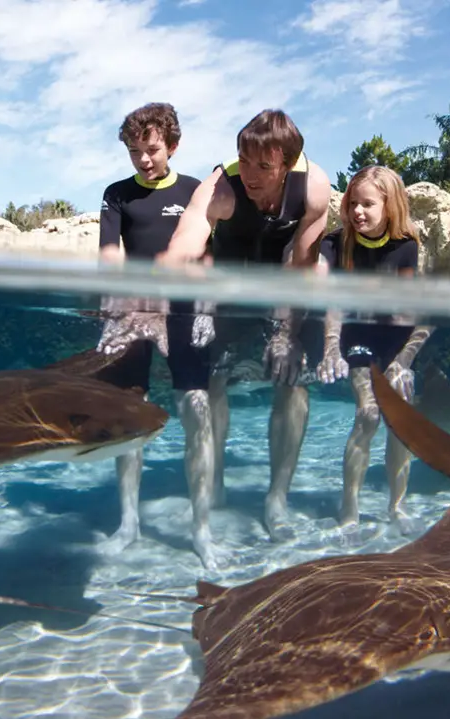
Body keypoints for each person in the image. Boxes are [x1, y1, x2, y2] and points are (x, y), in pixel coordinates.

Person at [142, 108, 333, 561]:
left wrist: (286, 333)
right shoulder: (221, 187)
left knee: (294, 385)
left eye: (263, 167)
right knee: (213, 383)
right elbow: (186, 242)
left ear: (286, 164)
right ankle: (217, 480)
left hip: (282, 282)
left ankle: (277, 499)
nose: (249, 174)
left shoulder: (315, 189)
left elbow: (302, 268)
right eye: (243, 161)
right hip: (225, 286)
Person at [93, 102, 211, 557]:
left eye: (153, 150)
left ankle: (200, 529)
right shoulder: (117, 194)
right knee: (127, 414)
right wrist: (113, 311)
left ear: (173, 146)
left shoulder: (194, 191)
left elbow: (204, 259)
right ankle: (129, 523)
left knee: (196, 410)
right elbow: (109, 256)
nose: (144, 160)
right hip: (135, 312)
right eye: (135, 151)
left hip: (182, 312)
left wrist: (205, 310)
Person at [314, 164, 434, 533]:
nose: (357, 212)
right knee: (368, 415)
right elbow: (330, 302)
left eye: (367, 204)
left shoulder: (406, 248)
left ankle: (396, 506)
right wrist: (331, 348)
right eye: (352, 203)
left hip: (397, 343)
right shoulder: (334, 245)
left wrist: (403, 362)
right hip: (358, 337)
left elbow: (420, 316)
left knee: (401, 423)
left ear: (390, 205)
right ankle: (349, 506)